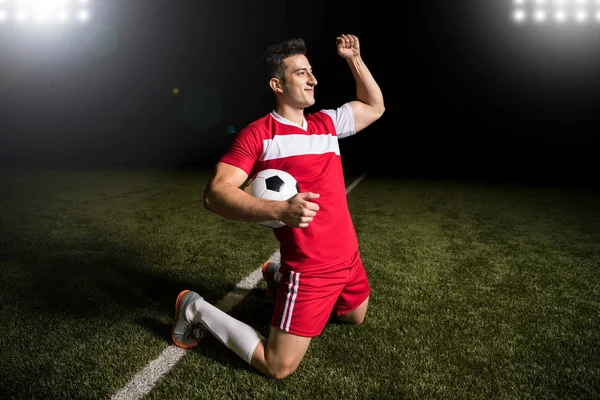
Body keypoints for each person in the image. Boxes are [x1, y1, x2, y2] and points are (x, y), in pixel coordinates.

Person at [172, 34, 385, 380]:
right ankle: (194, 307)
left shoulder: (326, 124)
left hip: (349, 258)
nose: (313, 80)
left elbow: (375, 106)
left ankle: (275, 275)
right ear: (277, 84)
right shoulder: (259, 135)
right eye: (301, 73)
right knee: (278, 366)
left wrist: (354, 60)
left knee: (354, 316)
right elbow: (215, 193)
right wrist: (280, 211)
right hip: (311, 269)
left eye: (311, 72)